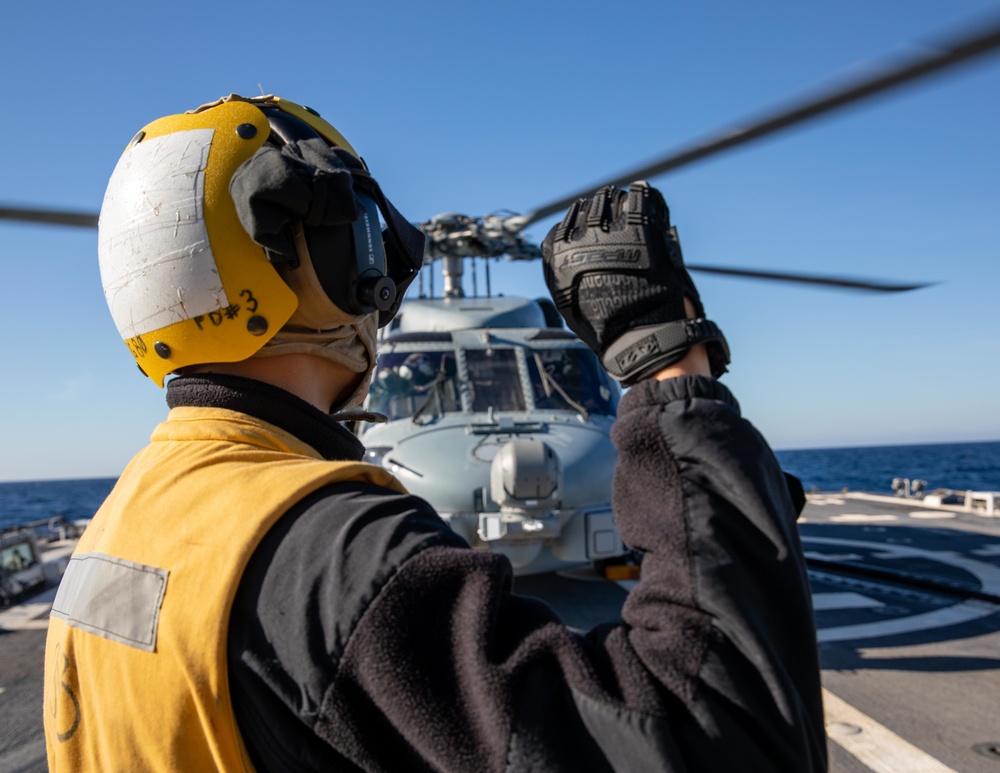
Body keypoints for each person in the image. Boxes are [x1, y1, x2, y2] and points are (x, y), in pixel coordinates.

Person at [43, 94, 826, 772]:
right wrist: (668, 368)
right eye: (367, 230)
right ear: (337, 251)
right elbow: (722, 738)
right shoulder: (338, 557)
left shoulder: (122, 526)